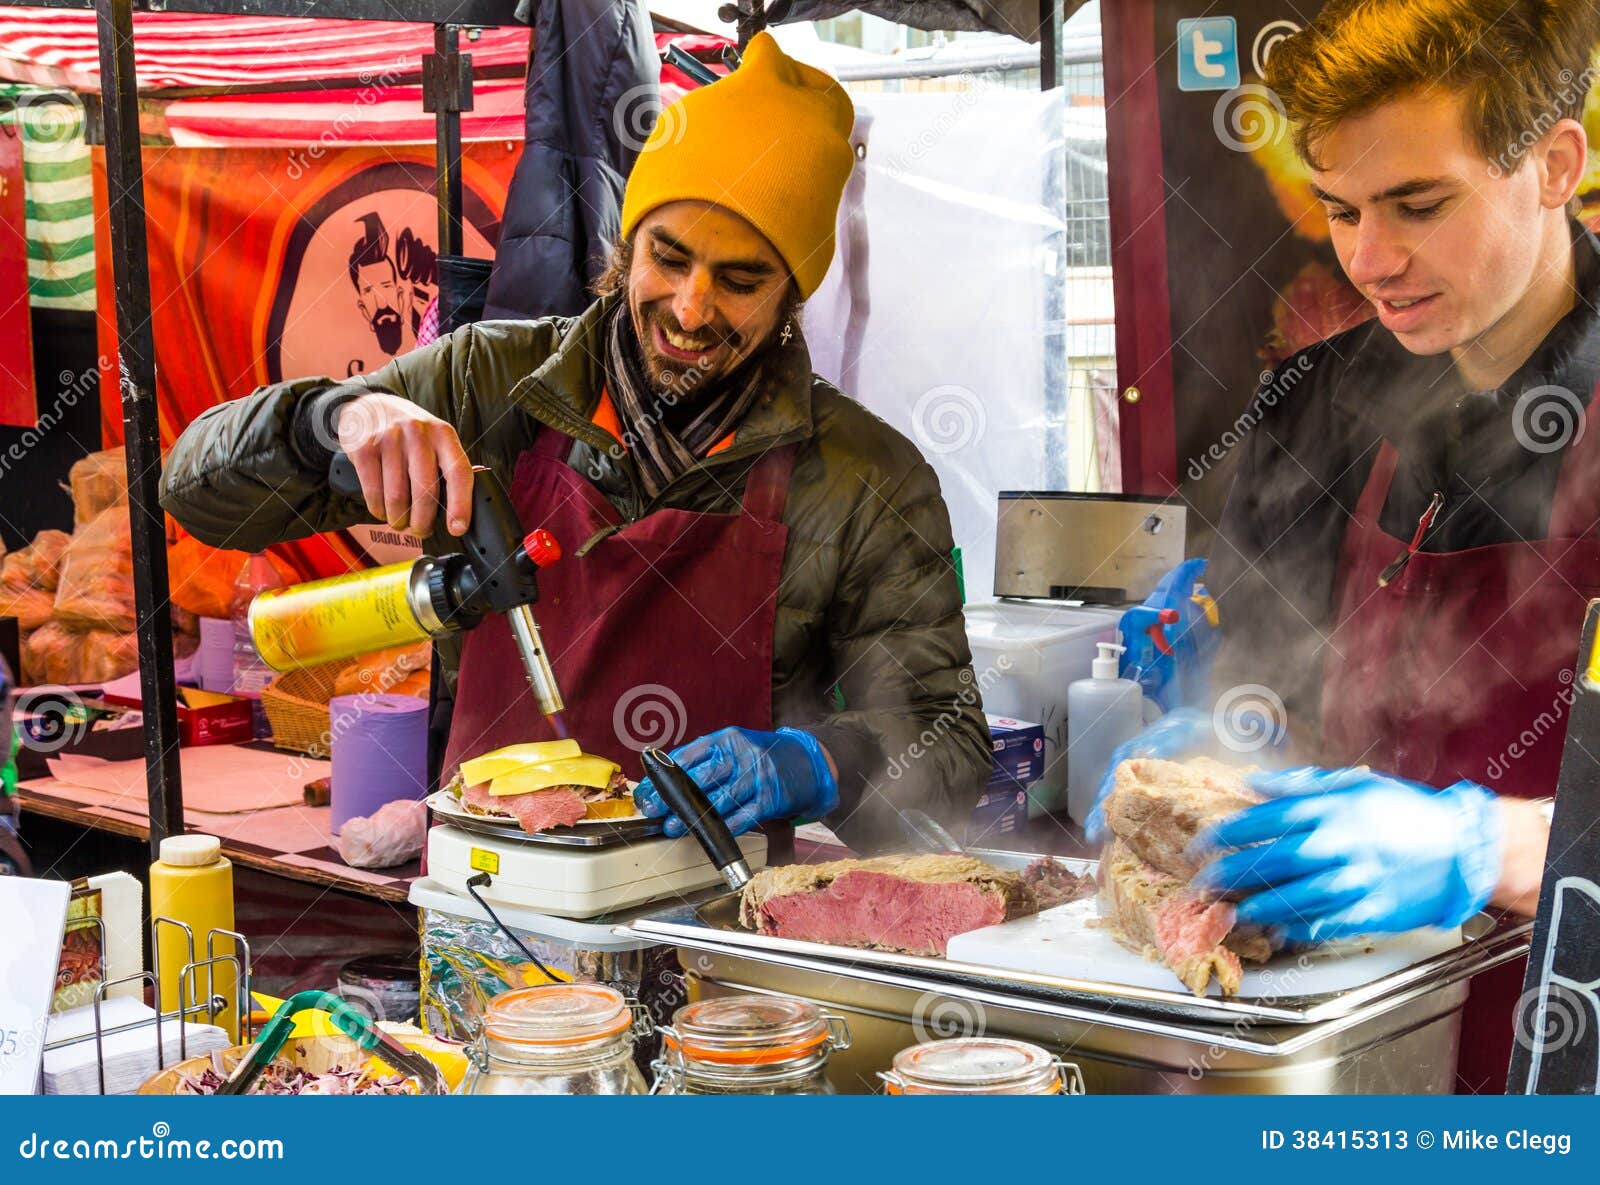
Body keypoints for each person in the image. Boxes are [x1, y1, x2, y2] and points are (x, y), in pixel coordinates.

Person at [160, 34, 991, 855]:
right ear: (626, 246)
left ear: (793, 296)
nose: (693, 310)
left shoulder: (864, 477)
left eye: (741, 281)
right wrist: (330, 418)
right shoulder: (487, 383)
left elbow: (948, 754)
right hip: (488, 919)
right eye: (668, 258)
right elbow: (195, 488)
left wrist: (818, 761)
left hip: (719, 948)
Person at [1091, 0, 1600, 1092]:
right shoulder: (1312, 405)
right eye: (1339, 210)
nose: (1370, 260)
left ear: (1555, 163)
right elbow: (1277, 682)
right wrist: (1224, 747)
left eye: (1417, 205)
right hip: (1344, 1053)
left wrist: (1489, 849)